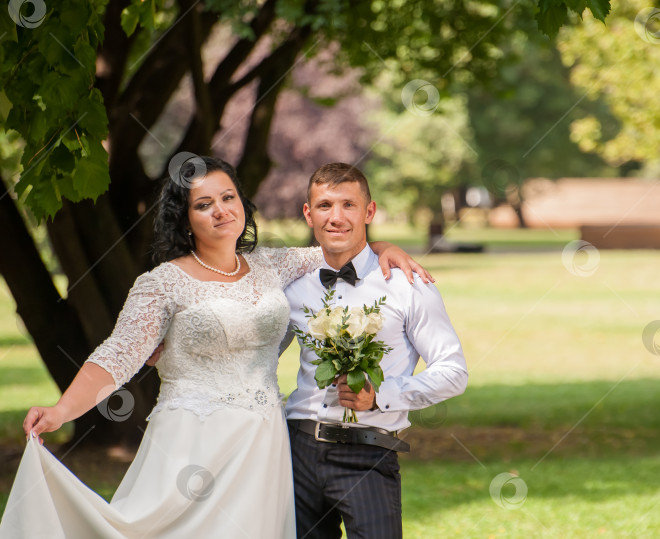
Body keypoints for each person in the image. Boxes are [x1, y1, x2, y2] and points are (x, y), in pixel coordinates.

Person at [0, 156, 430, 538]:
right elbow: (118, 355)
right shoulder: (162, 283)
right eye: (204, 204)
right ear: (185, 219)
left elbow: (339, 246)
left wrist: (384, 246)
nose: (221, 210)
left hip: (263, 443)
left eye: (228, 197)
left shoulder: (272, 264)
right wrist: (61, 411)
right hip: (192, 441)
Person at [283, 163, 468, 538]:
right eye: (324, 205)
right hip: (295, 453)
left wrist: (380, 395)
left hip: (368, 453)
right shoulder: (291, 284)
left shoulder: (408, 284)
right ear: (308, 213)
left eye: (349, 205)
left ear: (369, 212)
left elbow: (453, 370)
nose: (336, 217)